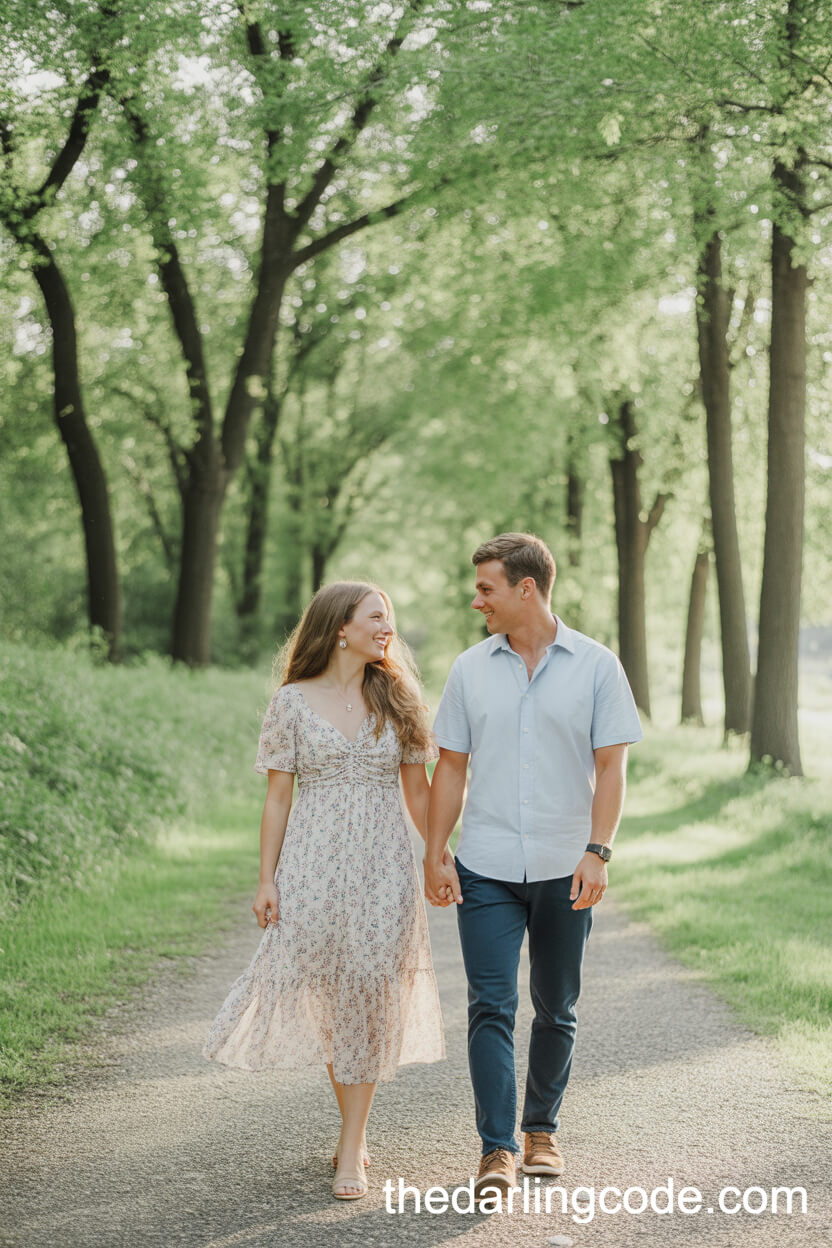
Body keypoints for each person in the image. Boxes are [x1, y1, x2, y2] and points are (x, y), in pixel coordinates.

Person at [204, 581, 445, 1200]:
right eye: (376, 617)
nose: (387, 628)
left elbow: (418, 793)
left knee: (371, 991)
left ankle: (353, 1147)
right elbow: (277, 797)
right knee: (334, 997)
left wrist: (438, 854)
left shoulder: (397, 698)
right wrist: (266, 878)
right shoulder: (290, 702)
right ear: (341, 626)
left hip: (383, 865)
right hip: (310, 866)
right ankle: (353, 1133)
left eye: (388, 619)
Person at [424, 533, 642, 1200]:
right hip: (486, 865)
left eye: (486, 587)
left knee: (557, 1007)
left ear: (526, 589)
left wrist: (598, 850)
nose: (476, 599)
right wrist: (436, 850)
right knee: (490, 1005)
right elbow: (451, 767)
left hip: (564, 865)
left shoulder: (597, 666)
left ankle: (541, 1129)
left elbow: (612, 766)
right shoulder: (469, 669)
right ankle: (497, 1147)